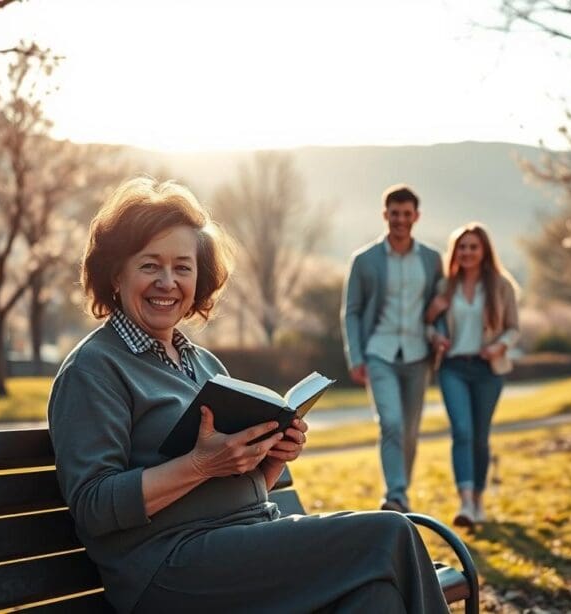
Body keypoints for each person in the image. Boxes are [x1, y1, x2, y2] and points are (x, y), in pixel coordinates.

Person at [48, 177, 449, 614]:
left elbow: (239, 487)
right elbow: (93, 507)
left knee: (376, 599)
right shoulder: (94, 369)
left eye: (182, 267)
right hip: (169, 567)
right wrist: (200, 464)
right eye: (150, 266)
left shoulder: (203, 363)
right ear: (115, 273)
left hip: (245, 544)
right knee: (391, 533)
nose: (167, 281)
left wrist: (270, 457)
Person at [341, 184, 443, 513]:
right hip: (379, 352)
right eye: (394, 213)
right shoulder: (364, 260)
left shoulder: (431, 259)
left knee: (410, 431)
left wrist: (439, 335)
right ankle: (395, 495)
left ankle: (401, 493)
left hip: (418, 355)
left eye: (406, 214)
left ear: (416, 216)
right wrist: (356, 356)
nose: (400, 220)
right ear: (385, 214)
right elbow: (352, 311)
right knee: (392, 423)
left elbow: (439, 305)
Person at [426, 223, 519, 527]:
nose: (467, 252)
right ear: (455, 252)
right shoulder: (445, 286)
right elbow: (429, 326)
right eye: (462, 247)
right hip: (453, 367)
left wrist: (499, 347)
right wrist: (435, 334)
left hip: (487, 369)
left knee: (480, 436)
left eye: (473, 247)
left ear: (484, 251)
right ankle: (465, 502)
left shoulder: (501, 286)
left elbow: (513, 328)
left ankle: (479, 499)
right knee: (462, 432)